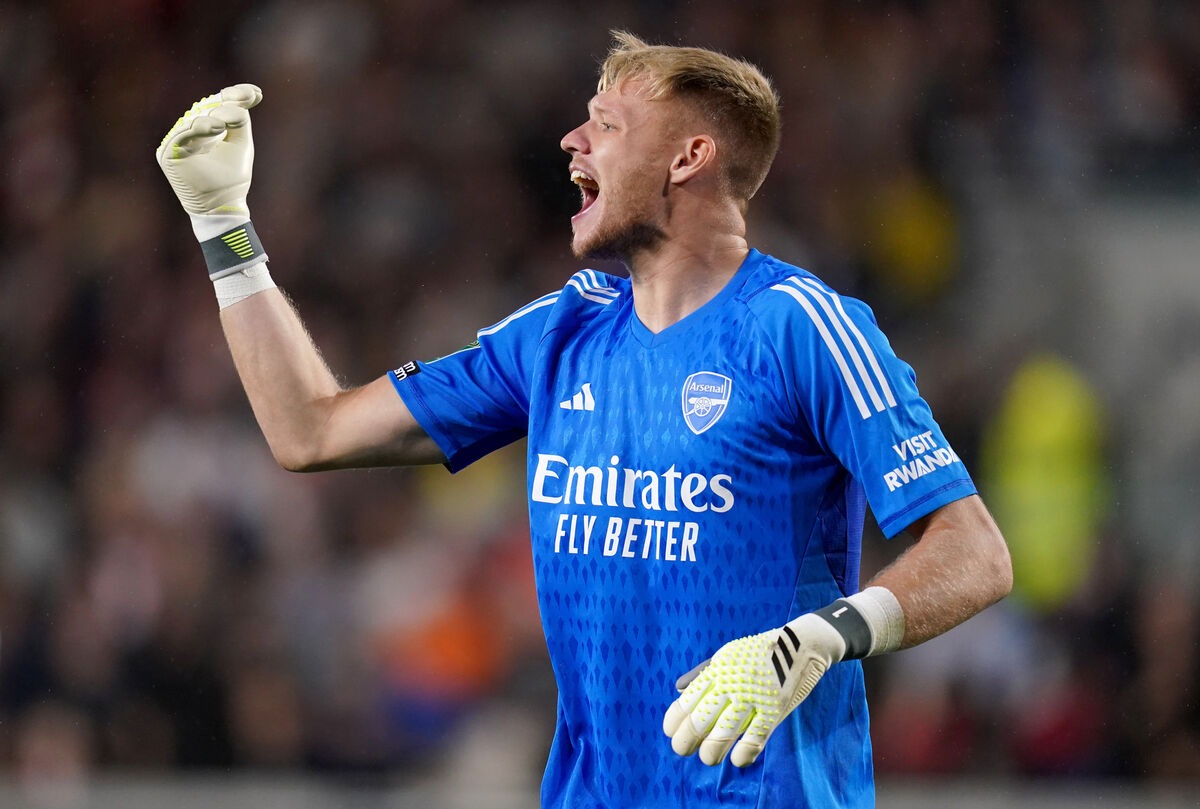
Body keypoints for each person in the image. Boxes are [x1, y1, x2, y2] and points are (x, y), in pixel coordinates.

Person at [156, 31, 1011, 809]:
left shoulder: (798, 326)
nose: (572, 141)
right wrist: (223, 224)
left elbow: (975, 552)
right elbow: (311, 431)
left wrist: (822, 636)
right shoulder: (560, 334)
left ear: (690, 156)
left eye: (604, 123)